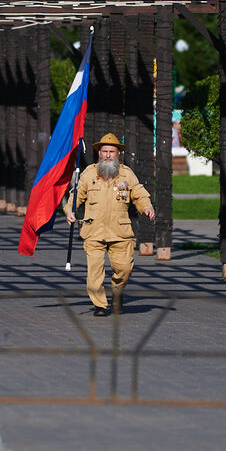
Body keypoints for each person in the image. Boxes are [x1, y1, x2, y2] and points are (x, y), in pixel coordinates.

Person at [65, 132, 155, 316]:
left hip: (120, 232)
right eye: (104, 151)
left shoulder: (126, 174)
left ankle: (117, 292)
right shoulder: (89, 173)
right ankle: (99, 305)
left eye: (111, 151)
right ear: (99, 153)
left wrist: (146, 207)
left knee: (124, 269)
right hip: (93, 231)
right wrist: (69, 210)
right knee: (94, 273)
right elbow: (76, 195)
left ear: (118, 154)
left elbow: (138, 192)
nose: (107, 154)